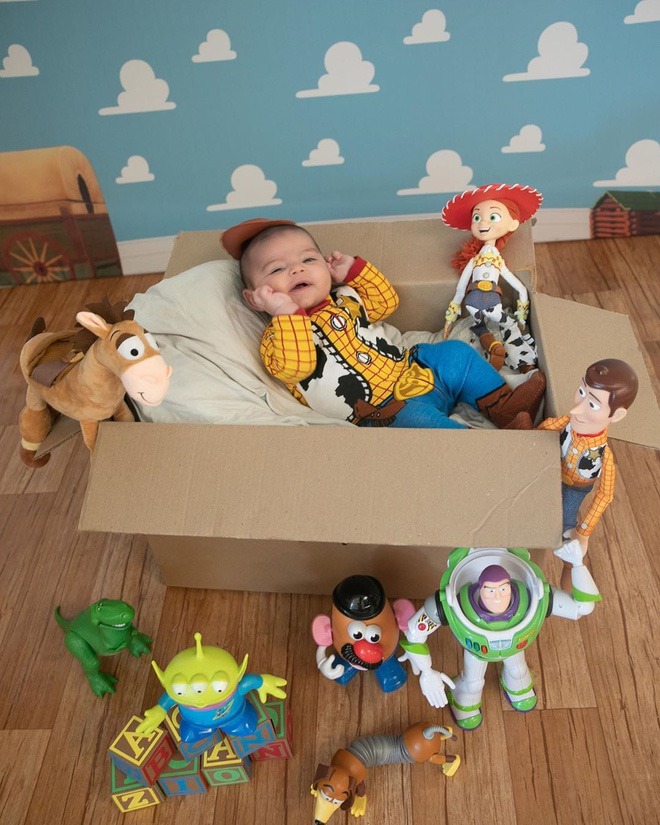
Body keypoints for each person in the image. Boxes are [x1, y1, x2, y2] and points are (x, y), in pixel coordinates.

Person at [221, 218, 545, 430]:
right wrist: (286, 314)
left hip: (413, 368)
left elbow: (386, 303)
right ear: (255, 299)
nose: (297, 270)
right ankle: (484, 450)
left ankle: (504, 407)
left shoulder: (344, 297)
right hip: (383, 413)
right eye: (277, 269)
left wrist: (354, 271)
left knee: (455, 354)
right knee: (422, 424)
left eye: (308, 260)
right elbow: (296, 367)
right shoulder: (276, 338)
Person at [538, 358, 638, 587]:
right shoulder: (568, 422)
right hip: (550, 471)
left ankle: (570, 573)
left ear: (617, 415)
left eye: (592, 404)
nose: (576, 409)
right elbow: (549, 425)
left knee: (565, 530)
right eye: (581, 391)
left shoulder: (604, 457)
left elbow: (605, 495)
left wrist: (583, 532)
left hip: (575, 489)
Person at [442, 183, 543, 371]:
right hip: (491, 302)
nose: (482, 223)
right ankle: (523, 363)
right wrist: (521, 318)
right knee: (509, 325)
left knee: (478, 325)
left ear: (512, 224)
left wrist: (450, 317)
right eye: (477, 217)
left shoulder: (478, 261)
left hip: (472, 303)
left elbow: (460, 291)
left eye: (493, 217)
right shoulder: (495, 262)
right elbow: (520, 289)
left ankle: (490, 345)